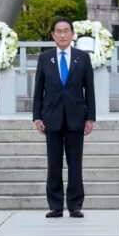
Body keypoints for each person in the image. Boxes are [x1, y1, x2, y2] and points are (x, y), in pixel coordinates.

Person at [33, 16, 96, 218]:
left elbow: (90, 90)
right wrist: (37, 116)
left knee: (75, 163)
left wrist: (90, 117)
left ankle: (75, 204)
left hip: (76, 117)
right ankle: (55, 205)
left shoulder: (82, 58)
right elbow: (38, 90)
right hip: (51, 117)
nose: (62, 34)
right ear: (53, 35)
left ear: (72, 34)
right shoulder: (45, 58)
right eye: (58, 31)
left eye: (66, 31)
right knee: (54, 163)